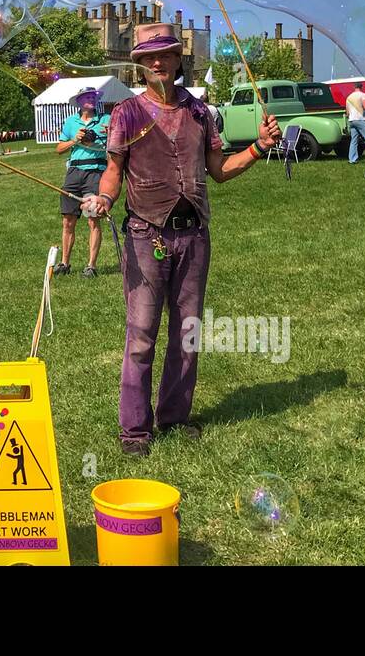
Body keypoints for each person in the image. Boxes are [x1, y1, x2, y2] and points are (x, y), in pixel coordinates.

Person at [80, 24, 281, 453]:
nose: (158, 63)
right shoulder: (127, 114)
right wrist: (102, 198)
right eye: (150, 57)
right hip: (144, 236)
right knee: (141, 336)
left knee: (187, 333)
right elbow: (114, 171)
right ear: (139, 65)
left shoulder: (199, 112)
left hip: (193, 237)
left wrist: (259, 147)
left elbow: (219, 170)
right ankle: (134, 431)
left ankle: (173, 417)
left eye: (166, 55)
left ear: (177, 61)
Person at [54, 98, 111, 278]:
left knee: (93, 218)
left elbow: (122, 141)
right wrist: (75, 139)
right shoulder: (71, 121)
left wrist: (112, 133)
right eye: (86, 97)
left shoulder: (106, 119)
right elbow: (59, 148)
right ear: (79, 102)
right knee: (68, 220)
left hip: (95, 171)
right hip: (74, 172)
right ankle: (64, 263)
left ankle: (91, 266)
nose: (91, 100)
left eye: (94, 97)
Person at [345, 85, 365, 164]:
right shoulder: (362, 95)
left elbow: (347, 112)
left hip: (351, 120)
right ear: (361, 87)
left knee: (354, 140)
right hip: (359, 119)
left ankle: (352, 159)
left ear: (354, 87)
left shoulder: (349, 97)